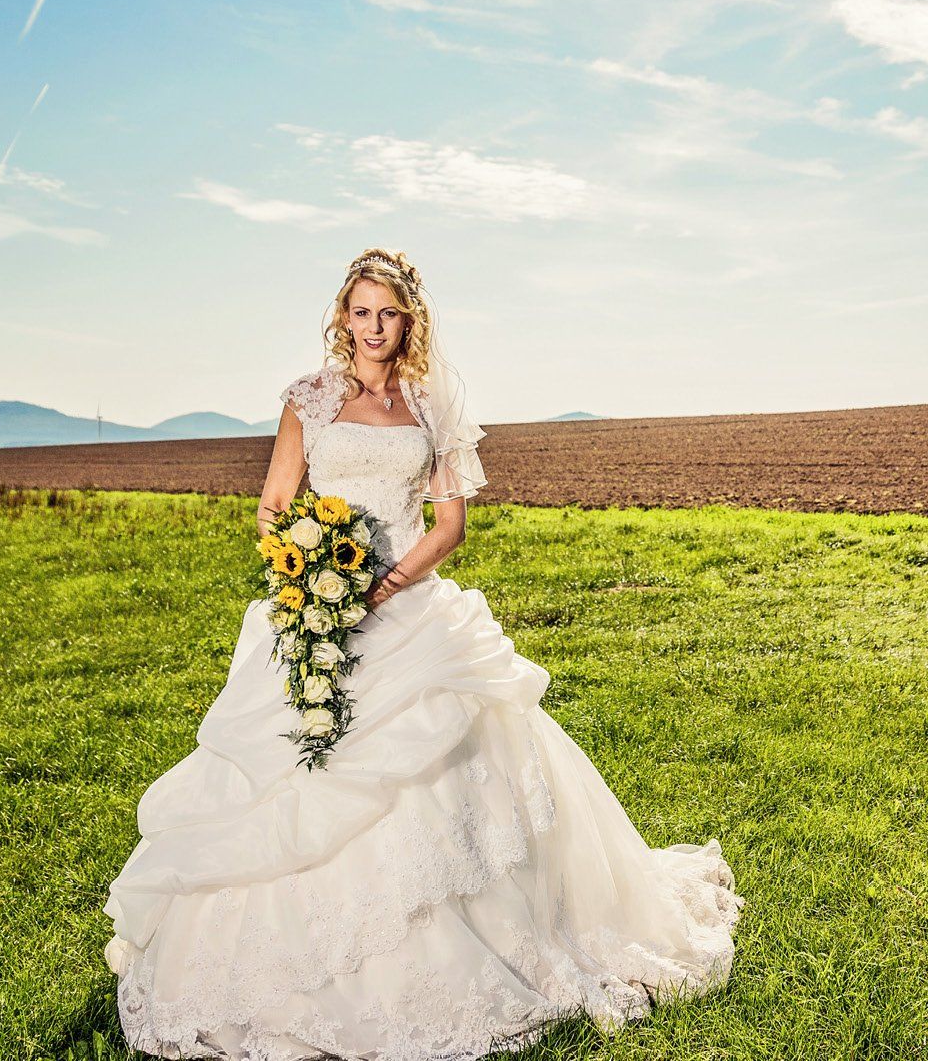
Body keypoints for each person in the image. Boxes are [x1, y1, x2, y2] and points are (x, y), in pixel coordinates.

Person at [102, 248, 744, 1060]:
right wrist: (311, 570)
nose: (374, 329)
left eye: (389, 314)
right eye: (361, 313)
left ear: (409, 321)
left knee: (450, 764)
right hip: (315, 609)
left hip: (406, 608)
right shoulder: (309, 400)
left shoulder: (431, 407)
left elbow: (449, 527)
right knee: (292, 777)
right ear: (344, 318)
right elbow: (273, 507)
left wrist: (380, 586)